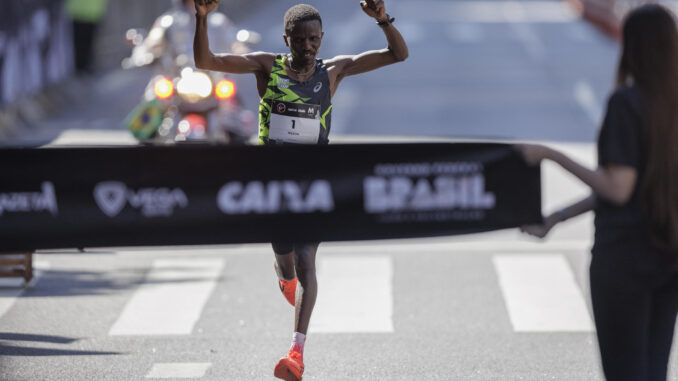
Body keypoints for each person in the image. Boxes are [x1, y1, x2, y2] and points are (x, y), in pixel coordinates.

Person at [193, 1, 407, 379]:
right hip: (273, 184)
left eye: (314, 39)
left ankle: (296, 353)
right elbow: (207, 61)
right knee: (287, 259)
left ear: (321, 39)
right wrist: (202, 18)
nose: (308, 46)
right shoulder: (266, 67)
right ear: (286, 39)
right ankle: (283, 274)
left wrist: (383, 20)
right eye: (300, 39)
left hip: (313, 184)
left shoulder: (333, 71)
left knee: (308, 259)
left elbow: (397, 54)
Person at [518, 4, 678, 380]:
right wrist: (556, 218)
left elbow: (618, 189)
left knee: (625, 373)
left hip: (625, 258)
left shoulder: (627, 102)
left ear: (632, 47)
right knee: (654, 371)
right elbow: (635, 187)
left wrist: (550, 155)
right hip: (669, 254)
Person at [65, 0, 107, 74]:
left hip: (91, 11)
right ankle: (81, 69)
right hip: (80, 12)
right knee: (81, 44)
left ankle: (85, 68)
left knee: (87, 43)